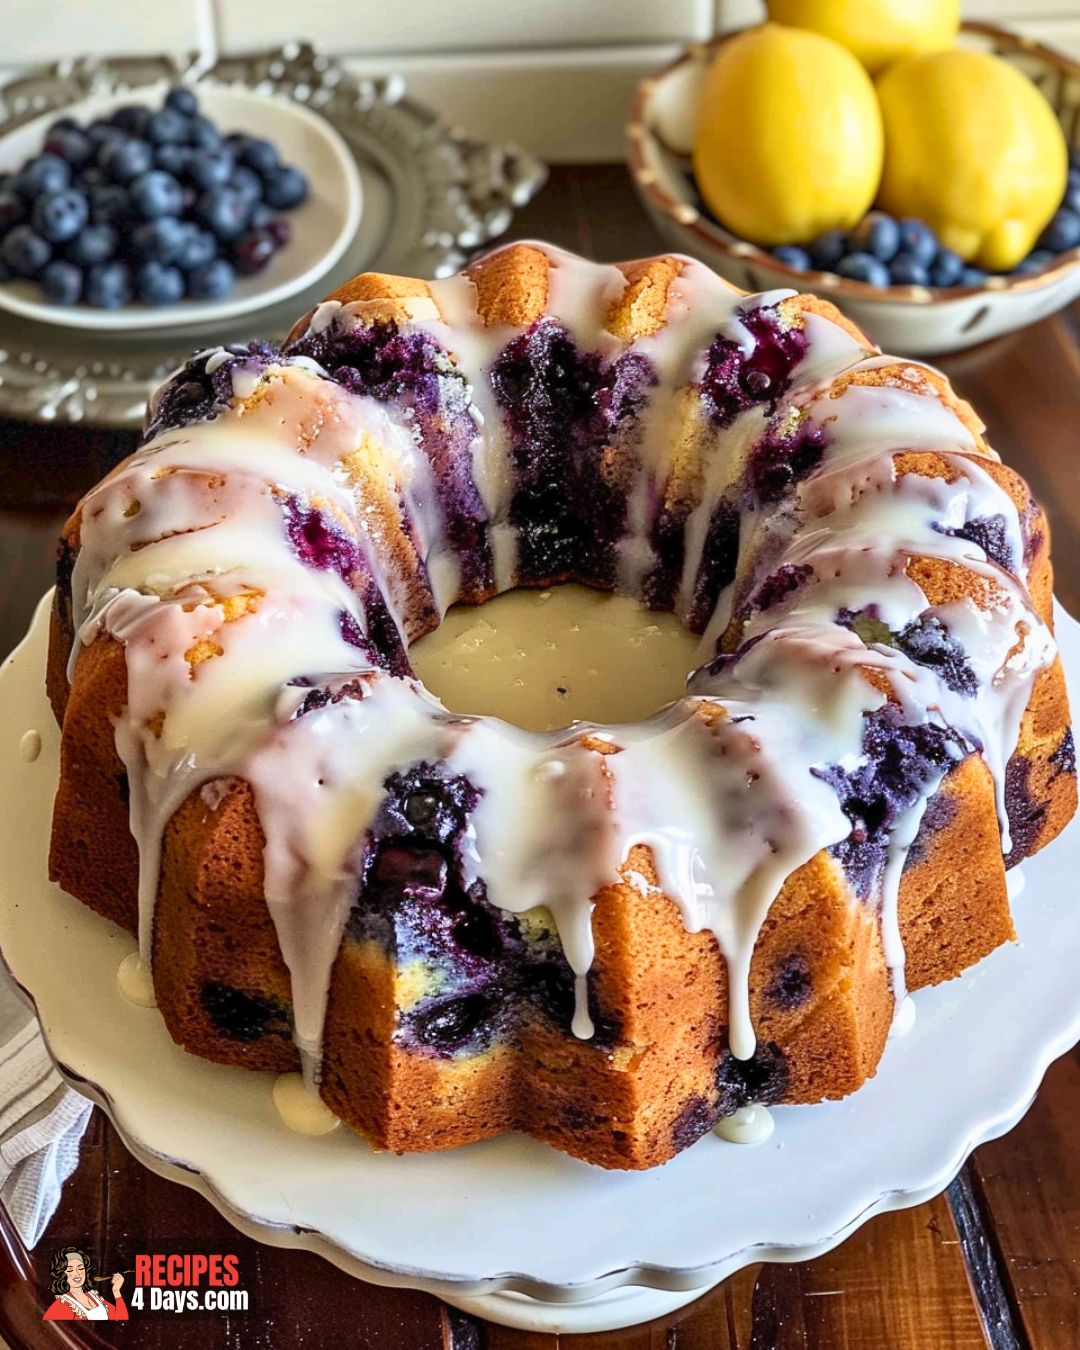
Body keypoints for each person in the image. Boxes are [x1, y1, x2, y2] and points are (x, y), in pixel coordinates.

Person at [41, 1246, 128, 1321]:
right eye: (70, 1270)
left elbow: (121, 1317)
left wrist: (116, 1291)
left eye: (80, 1268)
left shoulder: (92, 1296)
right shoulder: (60, 1306)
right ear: (61, 1274)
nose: (77, 1273)